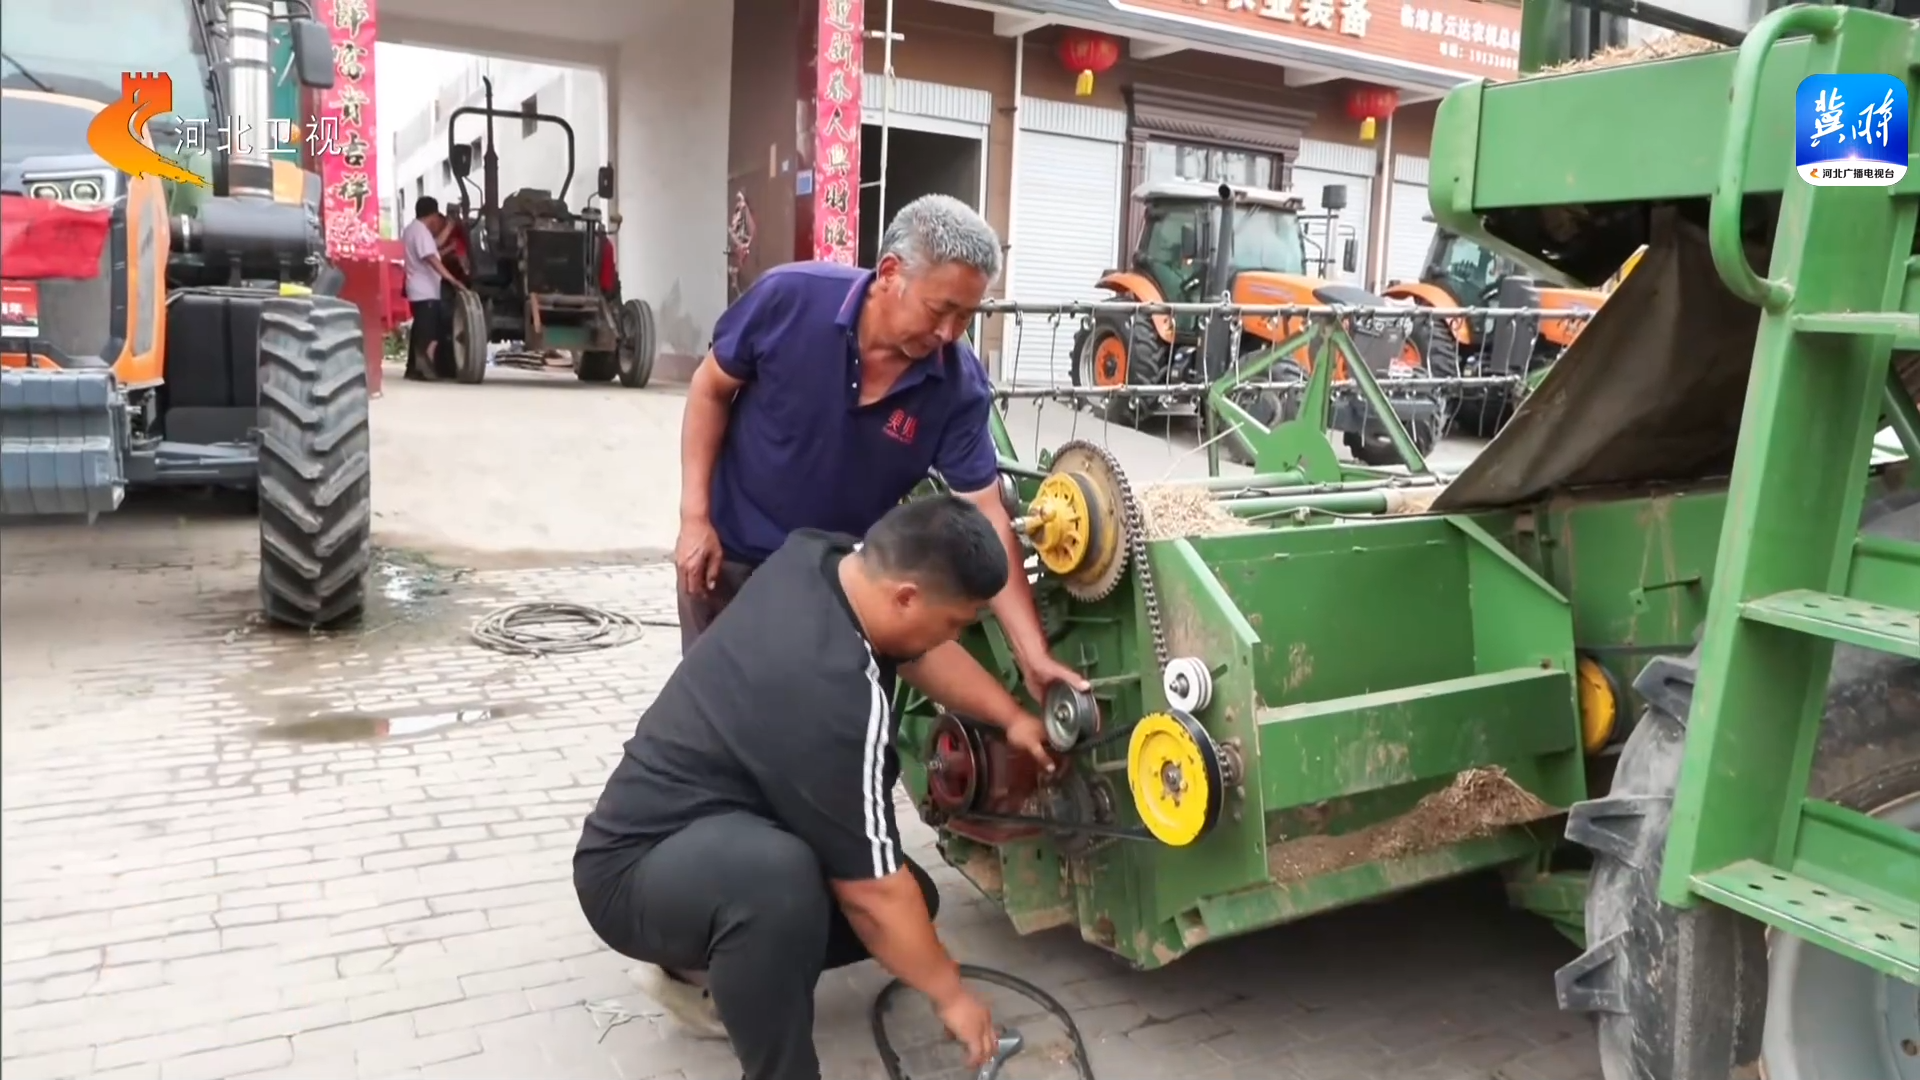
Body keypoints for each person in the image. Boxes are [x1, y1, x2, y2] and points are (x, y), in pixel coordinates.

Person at [575, 496, 1059, 1080]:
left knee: (914, 902)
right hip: (632, 872)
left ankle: (724, 965)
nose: (953, 636)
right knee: (787, 884)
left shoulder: (826, 559)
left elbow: (920, 652)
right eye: (955, 622)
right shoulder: (833, 696)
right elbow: (872, 896)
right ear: (907, 597)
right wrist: (952, 996)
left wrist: (1010, 718)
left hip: (718, 837)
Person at [675, 193, 1083, 702]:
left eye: (966, 317)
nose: (948, 333)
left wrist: (1032, 655)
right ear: (890, 273)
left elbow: (987, 513)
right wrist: (695, 517)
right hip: (729, 559)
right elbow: (709, 388)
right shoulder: (790, 299)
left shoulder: (956, 387)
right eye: (940, 309)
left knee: (814, 726)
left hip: (836, 584)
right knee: (716, 713)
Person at [400, 196, 465, 381]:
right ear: (433, 215)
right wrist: (452, 279)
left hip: (418, 288)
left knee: (420, 329)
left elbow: (433, 247)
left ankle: (412, 369)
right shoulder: (421, 231)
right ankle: (425, 369)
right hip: (425, 290)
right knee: (429, 333)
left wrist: (450, 229)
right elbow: (431, 258)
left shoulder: (412, 229)